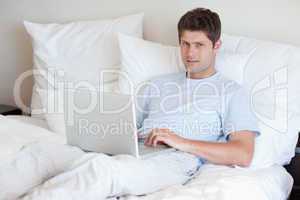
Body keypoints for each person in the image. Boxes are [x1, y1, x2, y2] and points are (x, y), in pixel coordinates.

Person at [1, 8, 260, 200]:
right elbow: (127, 124)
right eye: (185, 44)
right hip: (134, 150)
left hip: (175, 160)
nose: (190, 53)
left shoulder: (232, 92)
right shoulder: (158, 84)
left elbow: (243, 153)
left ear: (217, 46)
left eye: (199, 45)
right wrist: (111, 135)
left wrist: (181, 141)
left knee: (100, 171)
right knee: (42, 153)